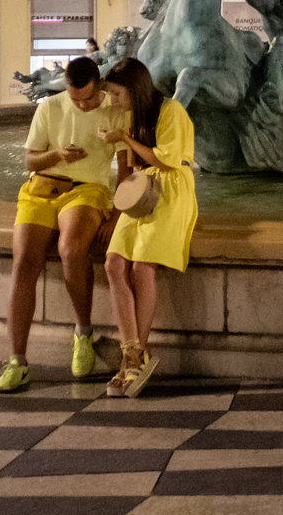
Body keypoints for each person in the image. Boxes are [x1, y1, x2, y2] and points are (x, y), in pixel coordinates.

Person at [0, 56, 118, 394]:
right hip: (41, 188)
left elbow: (131, 162)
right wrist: (58, 155)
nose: (81, 104)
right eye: (75, 97)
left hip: (88, 190)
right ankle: (17, 360)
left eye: (88, 99)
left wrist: (119, 210)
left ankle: (83, 333)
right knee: (23, 263)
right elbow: (31, 160)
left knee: (71, 249)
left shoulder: (115, 109)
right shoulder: (49, 107)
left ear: (100, 85)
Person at [100, 58, 198, 398]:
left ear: (134, 89)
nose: (112, 100)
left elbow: (167, 159)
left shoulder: (170, 110)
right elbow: (125, 167)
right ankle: (131, 349)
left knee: (142, 268)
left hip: (170, 188)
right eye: (110, 94)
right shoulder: (126, 117)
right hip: (139, 190)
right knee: (113, 263)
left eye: (116, 93)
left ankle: (136, 356)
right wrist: (116, 208)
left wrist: (126, 139)